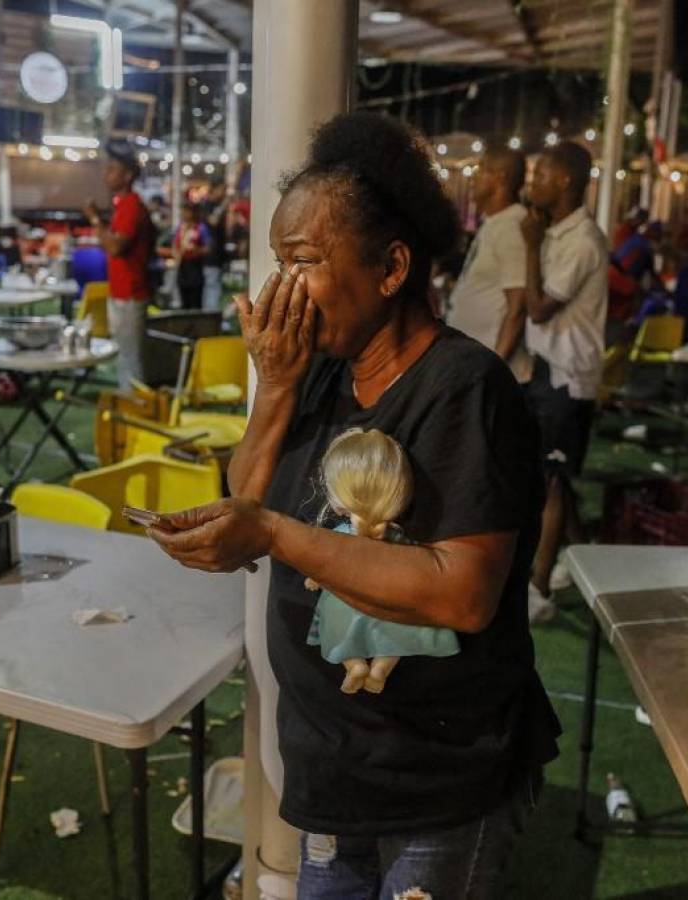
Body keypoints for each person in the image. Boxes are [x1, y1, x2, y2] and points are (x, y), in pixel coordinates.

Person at [145, 112, 558, 898]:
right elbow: (250, 496)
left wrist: (271, 532)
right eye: (278, 262)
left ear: (393, 266)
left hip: (435, 780)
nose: (280, 289)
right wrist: (273, 385)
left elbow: (460, 591)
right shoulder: (322, 373)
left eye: (303, 260)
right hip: (335, 766)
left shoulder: (464, 391)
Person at [520, 141, 608, 622]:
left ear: (566, 181)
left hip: (569, 377)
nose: (532, 182)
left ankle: (539, 589)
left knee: (550, 480)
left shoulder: (582, 241)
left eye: (541, 174)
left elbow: (539, 307)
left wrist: (532, 246)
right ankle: (583, 559)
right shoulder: (559, 233)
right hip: (548, 368)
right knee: (556, 473)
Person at [448, 146, 532, 383]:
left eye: (481, 169)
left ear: (500, 178)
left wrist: (495, 369)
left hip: (489, 374)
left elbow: (517, 307)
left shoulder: (511, 227)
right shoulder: (496, 223)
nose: (474, 177)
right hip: (473, 366)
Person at [84, 145, 153, 391]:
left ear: (128, 176)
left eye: (113, 170)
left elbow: (114, 247)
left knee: (130, 358)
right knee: (126, 356)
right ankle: (131, 406)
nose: (106, 174)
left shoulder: (131, 206)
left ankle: (136, 409)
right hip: (123, 292)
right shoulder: (124, 205)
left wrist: (94, 219)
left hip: (130, 293)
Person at [167, 201, 210, 310]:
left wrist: (197, 250)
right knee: (184, 301)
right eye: (183, 211)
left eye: (187, 211)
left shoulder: (201, 228)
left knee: (195, 301)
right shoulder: (180, 228)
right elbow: (174, 245)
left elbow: (208, 248)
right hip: (182, 268)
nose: (185, 214)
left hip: (195, 268)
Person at [200, 180, 231, 311]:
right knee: (212, 288)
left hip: (217, 256)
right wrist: (226, 203)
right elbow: (213, 221)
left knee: (214, 287)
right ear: (214, 189)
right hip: (210, 257)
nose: (224, 193)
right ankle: (210, 318)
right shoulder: (207, 205)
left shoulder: (215, 205)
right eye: (222, 189)